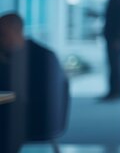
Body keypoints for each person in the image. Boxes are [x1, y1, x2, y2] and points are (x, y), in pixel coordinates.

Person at [0, 13, 69, 153]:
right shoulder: (41, 54)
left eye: (2, 34)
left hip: (33, 119)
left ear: (16, 31)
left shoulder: (35, 59)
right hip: (34, 116)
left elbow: (22, 95)